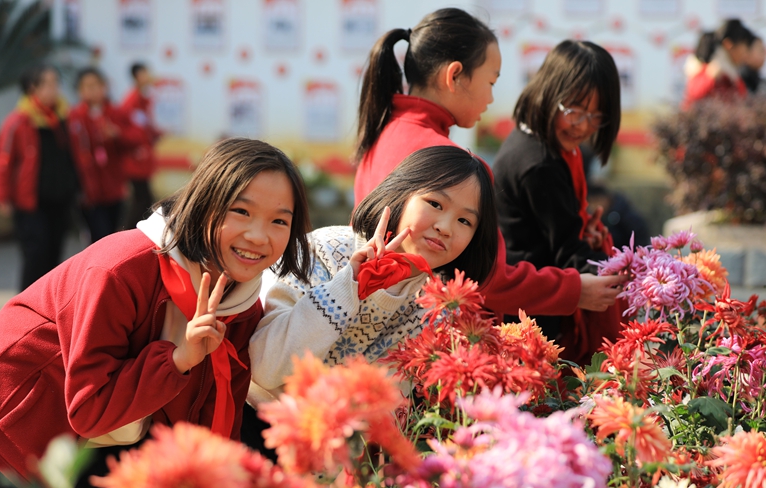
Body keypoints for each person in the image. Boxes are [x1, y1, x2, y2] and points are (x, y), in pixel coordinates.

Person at [0, 138, 312, 488]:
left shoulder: (241, 301)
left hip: (123, 433)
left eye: (279, 221)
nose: (259, 236)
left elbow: (216, 410)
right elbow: (87, 409)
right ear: (203, 205)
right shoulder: (120, 270)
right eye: (241, 211)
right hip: (30, 423)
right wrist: (177, 360)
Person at [352, 8, 622, 321]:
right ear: (454, 76)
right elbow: (488, 279)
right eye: (491, 82)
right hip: (419, 328)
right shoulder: (446, 160)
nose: (491, 98)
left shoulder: (382, 132)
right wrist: (574, 290)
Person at [248, 145, 497, 401]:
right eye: (435, 203)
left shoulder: (437, 311)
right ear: (401, 193)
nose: (445, 228)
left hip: (338, 436)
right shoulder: (324, 249)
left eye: (464, 221)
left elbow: (386, 414)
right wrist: (349, 285)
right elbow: (266, 369)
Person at [491, 40, 623, 364]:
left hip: (535, 305)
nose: (583, 125)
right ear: (549, 93)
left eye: (596, 116)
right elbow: (570, 254)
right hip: (531, 320)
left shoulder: (536, 140)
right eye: (574, 110)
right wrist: (639, 277)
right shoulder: (539, 164)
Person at [0, 64, 80, 291]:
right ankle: (25, 305)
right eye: (47, 84)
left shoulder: (63, 117)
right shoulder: (19, 121)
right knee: (35, 254)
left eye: (55, 83)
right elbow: (3, 160)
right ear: (33, 88)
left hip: (60, 198)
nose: (54, 89)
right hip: (30, 202)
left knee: (54, 255)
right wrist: (1, 197)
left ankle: (47, 307)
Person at [69, 67, 141, 242]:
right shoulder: (74, 116)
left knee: (113, 234)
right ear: (79, 90)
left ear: (104, 87)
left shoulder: (115, 113)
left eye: (96, 85)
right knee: (97, 236)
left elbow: (137, 138)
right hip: (88, 190)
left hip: (115, 186)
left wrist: (117, 134)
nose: (92, 90)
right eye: (87, 86)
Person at [120, 62, 162, 229]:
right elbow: (127, 132)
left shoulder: (144, 100)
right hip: (135, 162)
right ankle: (129, 234)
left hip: (143, 161)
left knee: (143, 200)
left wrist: (154, 134)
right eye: (145, 73)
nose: (148, 76)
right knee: (142, 201)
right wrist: (144, 137)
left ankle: (131, 233)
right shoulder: (131, 101)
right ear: (137, 76)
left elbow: (143, 127)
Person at [683, 19, 754, 107]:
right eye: (744, 47)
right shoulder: (712, 71)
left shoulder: (730, 72)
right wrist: (710, 77)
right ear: (728, 44)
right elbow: (692, 100)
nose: (745, 54)